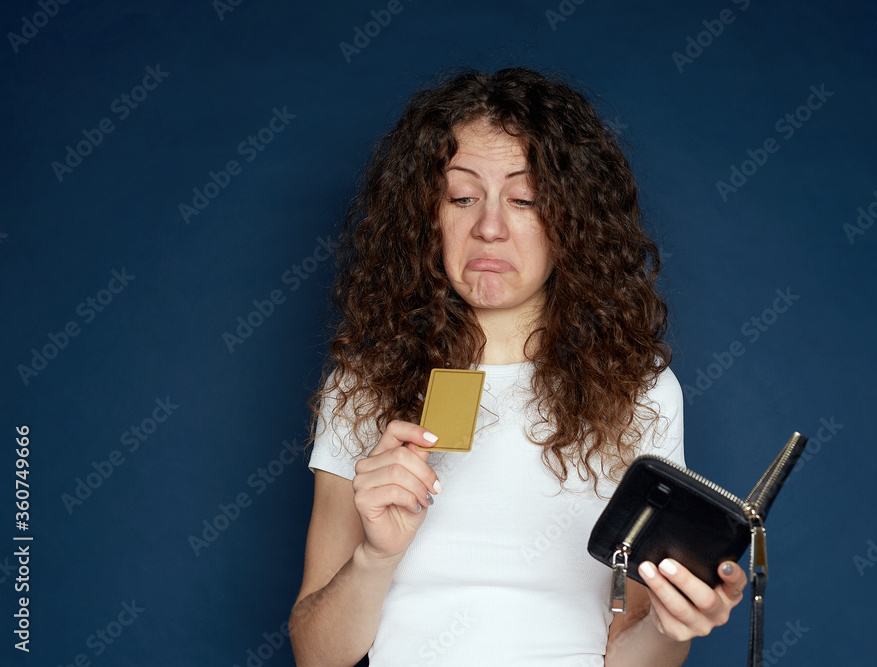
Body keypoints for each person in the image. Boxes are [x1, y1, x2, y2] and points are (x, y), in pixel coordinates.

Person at [289, 67, 746, 667]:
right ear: (426, 217)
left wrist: (671, 624)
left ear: (571, 222)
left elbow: (633, 650)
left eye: (524, 199)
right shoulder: (365, 383)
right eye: (462, 197)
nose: (489, 227)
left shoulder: (638, 391)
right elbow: (316, 655)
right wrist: (376, 556)